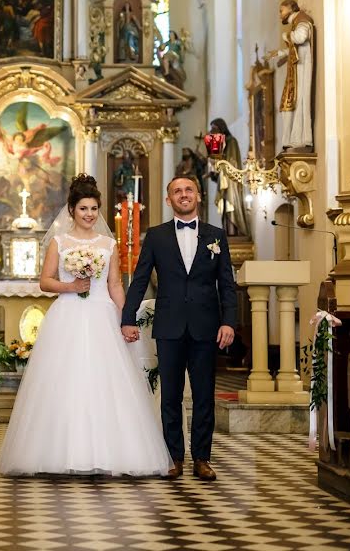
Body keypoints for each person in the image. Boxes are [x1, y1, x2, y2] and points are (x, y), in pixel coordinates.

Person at [0, 175, 172, 477]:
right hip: (68, 317)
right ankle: (60, 453)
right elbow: (45, 281)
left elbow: (115, 284)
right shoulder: (60, 242)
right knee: (66, 381)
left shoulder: (108, 244)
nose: (89, 214)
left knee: (105, 382)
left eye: (93, 208)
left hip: (102, 315)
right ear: (72, 210)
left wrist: (126, 317)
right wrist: (72, 286)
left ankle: (110, 452)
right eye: (83, 209)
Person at [121, 175, 237, 481]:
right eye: (177, 191)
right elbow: (141, 278)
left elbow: (226, 282)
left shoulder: (216, 235)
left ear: (198, 195)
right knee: (170, 396)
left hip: (206, 326)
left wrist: (229, 321)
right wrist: (127, 317)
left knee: (203, 396)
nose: (183, 195)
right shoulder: (156, 236)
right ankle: (174, 457)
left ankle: (202, 458)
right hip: (170, 324)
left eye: (188, 190)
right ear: (168, 199)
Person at [271, 0, 314, 149]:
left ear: (290, 9)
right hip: (295, 70)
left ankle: (299, 138)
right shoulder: (296, 23)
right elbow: (294, 48)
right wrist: (280, 52)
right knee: (288, 105)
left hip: (301, 69)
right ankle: (290, 139)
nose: (279, 15)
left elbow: (301, 37)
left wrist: (286, 36)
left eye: (281, 11)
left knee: (298, 101)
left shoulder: (302, 20)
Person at [208, 118, 250, 238]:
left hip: (231, 181)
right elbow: (219, 166)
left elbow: (232, 162)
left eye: (214, 128)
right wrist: (213, 170)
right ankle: (227, 231)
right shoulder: (220, 145)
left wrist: (219, 161)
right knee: (224, 207)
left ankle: (234, 231)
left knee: (230, 205)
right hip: (224, 179)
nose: (211, 131)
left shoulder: (231, 142)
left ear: (221, 128)